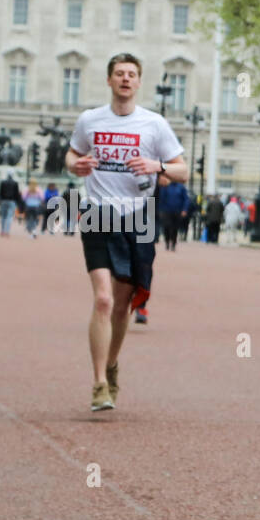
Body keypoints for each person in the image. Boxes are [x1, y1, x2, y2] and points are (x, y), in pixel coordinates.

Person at [67, 52, 186, 411]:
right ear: (109, 80)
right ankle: (99, 383)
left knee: (122, 306)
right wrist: (78, 165)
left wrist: (157, 164)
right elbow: (71, 157)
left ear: (138, 82)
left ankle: (113, 362)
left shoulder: (153, 124)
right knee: (103, 299)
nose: (125, 79)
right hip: (98, 215)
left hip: (137, 217)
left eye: (131, 74)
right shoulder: (90, 120)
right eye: (119, 73)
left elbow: (181, 170)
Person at [159, 179, 189, 252]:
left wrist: (184, 209)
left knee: (175, 228)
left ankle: (173, 243)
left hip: (177, 211)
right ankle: (167, 241)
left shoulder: (181, 187)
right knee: (166, 227)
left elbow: (186, 199)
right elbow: (161, 198)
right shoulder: (166, 186)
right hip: (166, 211)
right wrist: (160, 210)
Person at [0, 172, 20, 236]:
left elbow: (0, 192)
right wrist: (17, 202)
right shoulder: (15, 183)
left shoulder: (3, 182)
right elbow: (17, 194)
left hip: (4, 200)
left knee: (3, 216)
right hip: (12, 201)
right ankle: (7, 231)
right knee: (9, 217)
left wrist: (0, 200)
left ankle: (2, 230)